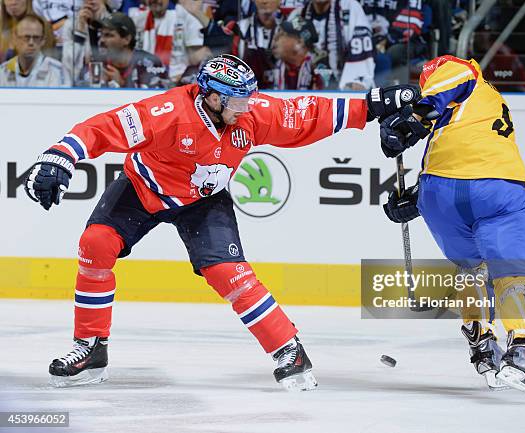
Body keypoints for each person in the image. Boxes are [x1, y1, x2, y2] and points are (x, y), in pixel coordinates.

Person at [23, 53, 417, 390]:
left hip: (203, 201)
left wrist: (372, 105)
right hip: (143, 188)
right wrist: (59, 156)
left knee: (229, 273)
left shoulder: (249, 115)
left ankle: (289, 350)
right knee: (96, 244)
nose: (247, 108)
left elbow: (307, 115)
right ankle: (92, 346)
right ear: (211, 96)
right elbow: (104, 128)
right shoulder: (168, 113)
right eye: (237, 101)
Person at [377, 55, 525, 403]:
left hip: (438, 195)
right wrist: (417, 117)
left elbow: (453, 163)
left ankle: (482, 345)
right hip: (498, 189)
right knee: (512, 272)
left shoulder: (458, 94)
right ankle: (522, 349)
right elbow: (454, 91)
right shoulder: (471, 79)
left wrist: (417, 199)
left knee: (471, 269)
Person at [292, 0, 376, 90]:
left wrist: (352, 83)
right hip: (309, 90)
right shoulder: (298, 15)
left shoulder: (349, 7)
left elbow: (361, 54)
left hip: (344, 90)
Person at [128, 0, 207, 83]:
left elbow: (196, 58)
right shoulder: (138, 20)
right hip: (146, 80)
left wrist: (184, 77)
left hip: (178, 81)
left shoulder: (186, 16)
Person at [0, 14, 71, 87]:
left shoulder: (58, 71)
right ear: (15, 39)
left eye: (36, 38)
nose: (31, 42)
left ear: (43, 40)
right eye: (26, 37)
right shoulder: (3, 71)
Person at [271, 15, 323, 89]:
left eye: (282, 34)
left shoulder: (320, 69)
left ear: (299, 42)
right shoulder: (269, 63)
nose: (275, 37)